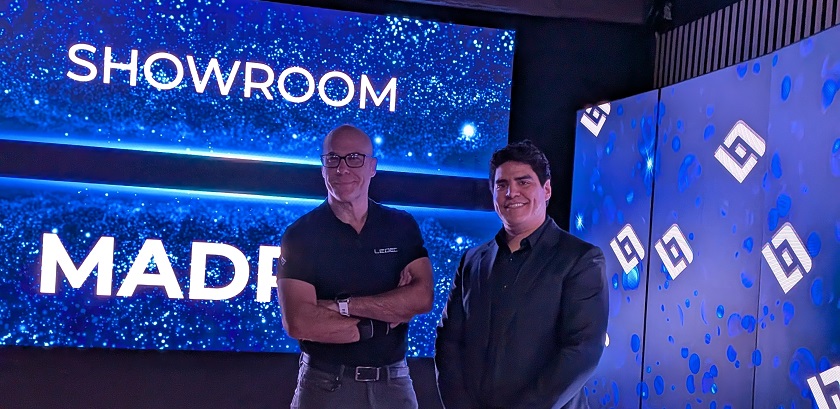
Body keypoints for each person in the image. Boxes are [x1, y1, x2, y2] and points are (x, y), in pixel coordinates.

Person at [435, 140, 608, 409]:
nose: (511, 192)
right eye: (501, 185)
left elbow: (582, 350)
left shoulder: (580, 259)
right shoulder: (472, 261)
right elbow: (449, 342)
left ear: (546, 189)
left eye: (523, 182)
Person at [277, 124, 433, 409]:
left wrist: (339, 306)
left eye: (354, 158)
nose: (342, 168)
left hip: (393, 383)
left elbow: (421, 298)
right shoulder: (300, 235)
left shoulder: (401, 226)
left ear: (372, 167)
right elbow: (299, 321)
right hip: (325, 384)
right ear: (323, 167)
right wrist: (381, 323)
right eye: (333, 159)